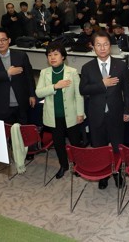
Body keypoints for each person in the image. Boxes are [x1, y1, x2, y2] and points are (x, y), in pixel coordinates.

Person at [79, 30, 129, 190]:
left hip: (116, 113)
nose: (102, 48)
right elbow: (83, 90)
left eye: (106, 44)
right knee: (99, 147)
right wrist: (102, 84)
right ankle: (103, 175)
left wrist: (127, 111)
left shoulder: (120, 65)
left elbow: (127, 91)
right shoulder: (87, 67)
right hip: (96, 114)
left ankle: (117, 174)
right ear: (93, 46)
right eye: (98, 45)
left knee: (117, 147)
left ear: (111, 46)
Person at [35, 43, 84, 179]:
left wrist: (80, 113)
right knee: (58, 144)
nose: (52, 57)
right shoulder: (44, 73)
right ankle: (63, 165)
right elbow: (38, 93)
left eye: (56, 54)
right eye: (49, 55)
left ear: (63, 57)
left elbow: (78, 95)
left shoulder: (72, 72)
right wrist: (55, 86)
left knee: (75, 143)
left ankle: (77, 166)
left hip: (72, 115)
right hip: (53, 116)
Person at [0, 29, 36, 124]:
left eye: (3, 39)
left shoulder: (21, 55)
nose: (0, 43)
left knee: (23, 132)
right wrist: (7, 73)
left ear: (9, 40)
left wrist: (32, 95)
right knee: (7, 132)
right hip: (2, 103)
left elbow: (29, 77)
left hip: (22, 101)